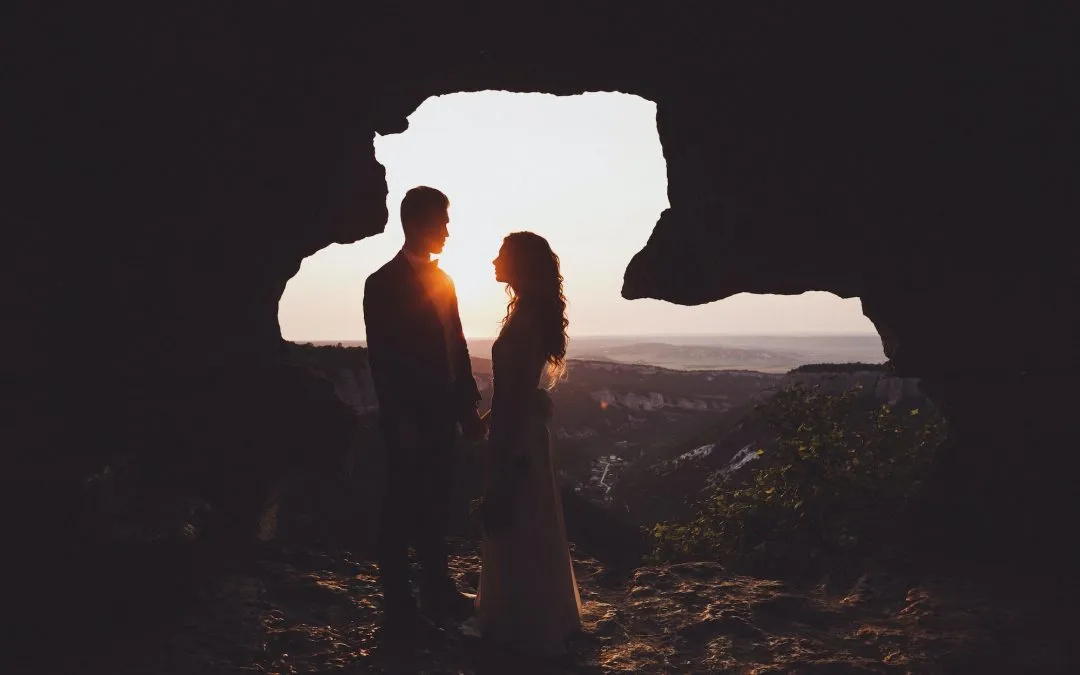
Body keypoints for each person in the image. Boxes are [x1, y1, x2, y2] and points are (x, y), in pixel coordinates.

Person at [363, 186, 487, 639]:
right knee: (400, 509)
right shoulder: (381, 283)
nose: (448, 231)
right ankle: (398, 608)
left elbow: (456, 345)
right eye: (442, 221)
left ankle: (437, 590)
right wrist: (401, 422)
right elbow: (385, 361)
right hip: (409, 420)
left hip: (442, 416)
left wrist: (467, 409)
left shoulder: (445, 280)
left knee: (436, 503)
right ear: (415, 223)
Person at [467, 231, 583, 657]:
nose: (493, 260)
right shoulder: (529, 312)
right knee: (524, 521)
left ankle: (521, 623)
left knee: (515, 517)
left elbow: (514, 392)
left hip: (518, 436)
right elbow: (514, 390)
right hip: (519, 429)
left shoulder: (528, 317)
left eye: (501, 254)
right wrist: (486, 422)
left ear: (519, 262)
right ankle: (523, 616)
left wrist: (504, 446)